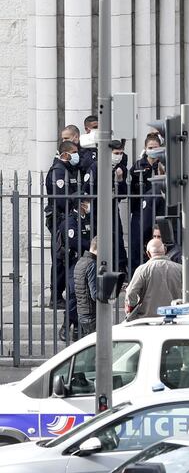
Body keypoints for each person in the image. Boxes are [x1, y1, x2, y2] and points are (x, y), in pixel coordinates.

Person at [44, 140, 81, 310]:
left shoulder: (68, 169)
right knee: (60, 257)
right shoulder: (58, 171)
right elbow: (60, 199)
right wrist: (77, 197)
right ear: (65, 154)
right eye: (74, 152)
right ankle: (56, 297)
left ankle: (60, 294)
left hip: (66, 218)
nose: (76, 155)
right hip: (60, 220)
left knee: (66, 256)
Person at [82, 140, 129, 274]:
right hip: (96, 210)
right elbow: (87, 191)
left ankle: (119, 269)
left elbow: (123, 194)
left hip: (112, 208)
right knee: (97, 239)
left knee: (117, 239)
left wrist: (119, 180)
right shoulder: (96, 167)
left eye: (120, 153)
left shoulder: (121, 169)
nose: (118, 156)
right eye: (116, 153)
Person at [56, 200, 94, 341]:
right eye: (86, 202)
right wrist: (91, 245)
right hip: (75, 262)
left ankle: (78, 328)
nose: (89, 204)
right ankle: (67, 325)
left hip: (89, 261)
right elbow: (74, 241)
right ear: (80, 205)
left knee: (85, 295)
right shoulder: (70, 221)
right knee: (74, 294)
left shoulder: (87, 219)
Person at [129, 133, 165, 270]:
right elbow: (131, 190)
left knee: (158, 242)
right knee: (137, 243)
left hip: (160, 210)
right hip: (140, 211)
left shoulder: (164, 164)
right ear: (145, 148)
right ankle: (136, 272)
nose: (153, 150)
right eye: (150, 147)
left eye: (156, 147)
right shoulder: (137, 167)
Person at [125, 238, 183, 320]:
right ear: (165, 250)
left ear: (148, 253)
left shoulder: (142, 269)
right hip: (176, 318)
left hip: (148, 319)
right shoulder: (180, 269)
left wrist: (131, 308)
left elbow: (131, 293)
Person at [74, 236, 98, 335]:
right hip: (90, 313)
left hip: (82, 311)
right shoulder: (92, 264)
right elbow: (94, 294)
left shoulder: (81, 261)